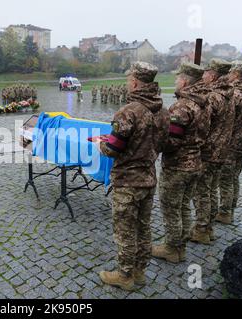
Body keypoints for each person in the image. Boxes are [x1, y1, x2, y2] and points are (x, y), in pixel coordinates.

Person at [97, 62, 169, 291]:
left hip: (128, 181)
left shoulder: (129, 112)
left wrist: (102, 144)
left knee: (125, 231)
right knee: (143, 227)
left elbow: (113, 149)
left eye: (129, 80)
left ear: (136, 82)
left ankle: (125, 275)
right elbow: (163, 143)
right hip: (149, 178)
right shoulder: (163, 110)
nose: (128, 83)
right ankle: (140, 271)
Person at [152, 63, 208, 263]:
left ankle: (171, 248)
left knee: (171, 208)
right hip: (195, 163)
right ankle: (180, 247)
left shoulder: (182, 107)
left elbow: (172, 141)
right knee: (184, 207)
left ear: (184, 81)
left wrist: (155, 142)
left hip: (178, 166)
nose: (175, 81)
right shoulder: (203, 102)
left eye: (177, 78)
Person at [191, 58, 234, 244]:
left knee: (201, 192)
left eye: (206, 73)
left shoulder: (212, 97)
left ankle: (201, 230)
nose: (203, 76)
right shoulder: (229, 94)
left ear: (213, 75)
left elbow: (202, 126)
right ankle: (208, 227)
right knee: (211, 190)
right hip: (222, 151)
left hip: (208, 152)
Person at [216, 61, 242, 225]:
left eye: (231, 72)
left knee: (226, 179)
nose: (228, 75)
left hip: (230, 141)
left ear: (236, 74)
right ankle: (230, 209)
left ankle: (225, 212)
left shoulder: (235, 95)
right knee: (234, 177)